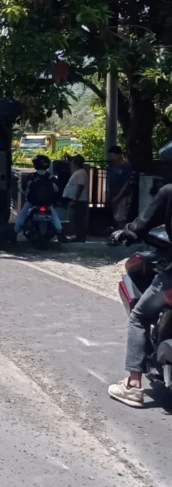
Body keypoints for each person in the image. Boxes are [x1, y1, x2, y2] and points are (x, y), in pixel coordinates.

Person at [108, 181, 172, 407]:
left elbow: (141, 226)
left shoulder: (169, 192)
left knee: (139, 317)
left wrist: (124, 233)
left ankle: (134, 385)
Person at [14, 154, 66, 242]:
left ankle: (14, 233)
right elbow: (56, 189)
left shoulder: (31, 176)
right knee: (55, 217)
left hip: (32, 203)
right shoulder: (50, 177)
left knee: (22, 216)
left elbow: (24, 190)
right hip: (47, 204)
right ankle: (60, 234)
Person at [63, 154, 90, 242]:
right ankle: (78, 236)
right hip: (77, 200)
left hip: (79, 201)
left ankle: (79, 237)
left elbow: (80, 186)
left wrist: (76, 198)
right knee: (75, 219)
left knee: (77, 219)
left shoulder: (80, 173)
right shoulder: (78, 172)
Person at [108, 146, 135, 230]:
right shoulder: (113, 166)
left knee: (121, 217)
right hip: (114, 194)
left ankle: (122, 236)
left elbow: (126, 183)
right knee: (116, 216)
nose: (112, 157)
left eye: (113, 155)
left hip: (123, 196)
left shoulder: (126, 166)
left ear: (119, 155)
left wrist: (119, 196)